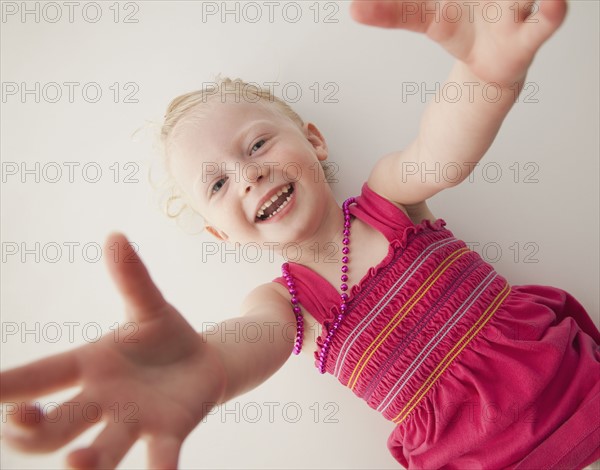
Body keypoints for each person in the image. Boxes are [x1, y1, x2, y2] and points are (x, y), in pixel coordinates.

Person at [1, 1, 598, 468]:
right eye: (217, 184)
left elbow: (444, 148)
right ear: (220, 233)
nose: (248, 175)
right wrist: (196, 370)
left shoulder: (388, 200)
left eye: (257, 144)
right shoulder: (284, 304)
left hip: (574, 395)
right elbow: (242, 346)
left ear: (314, 141)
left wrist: (485, 76)